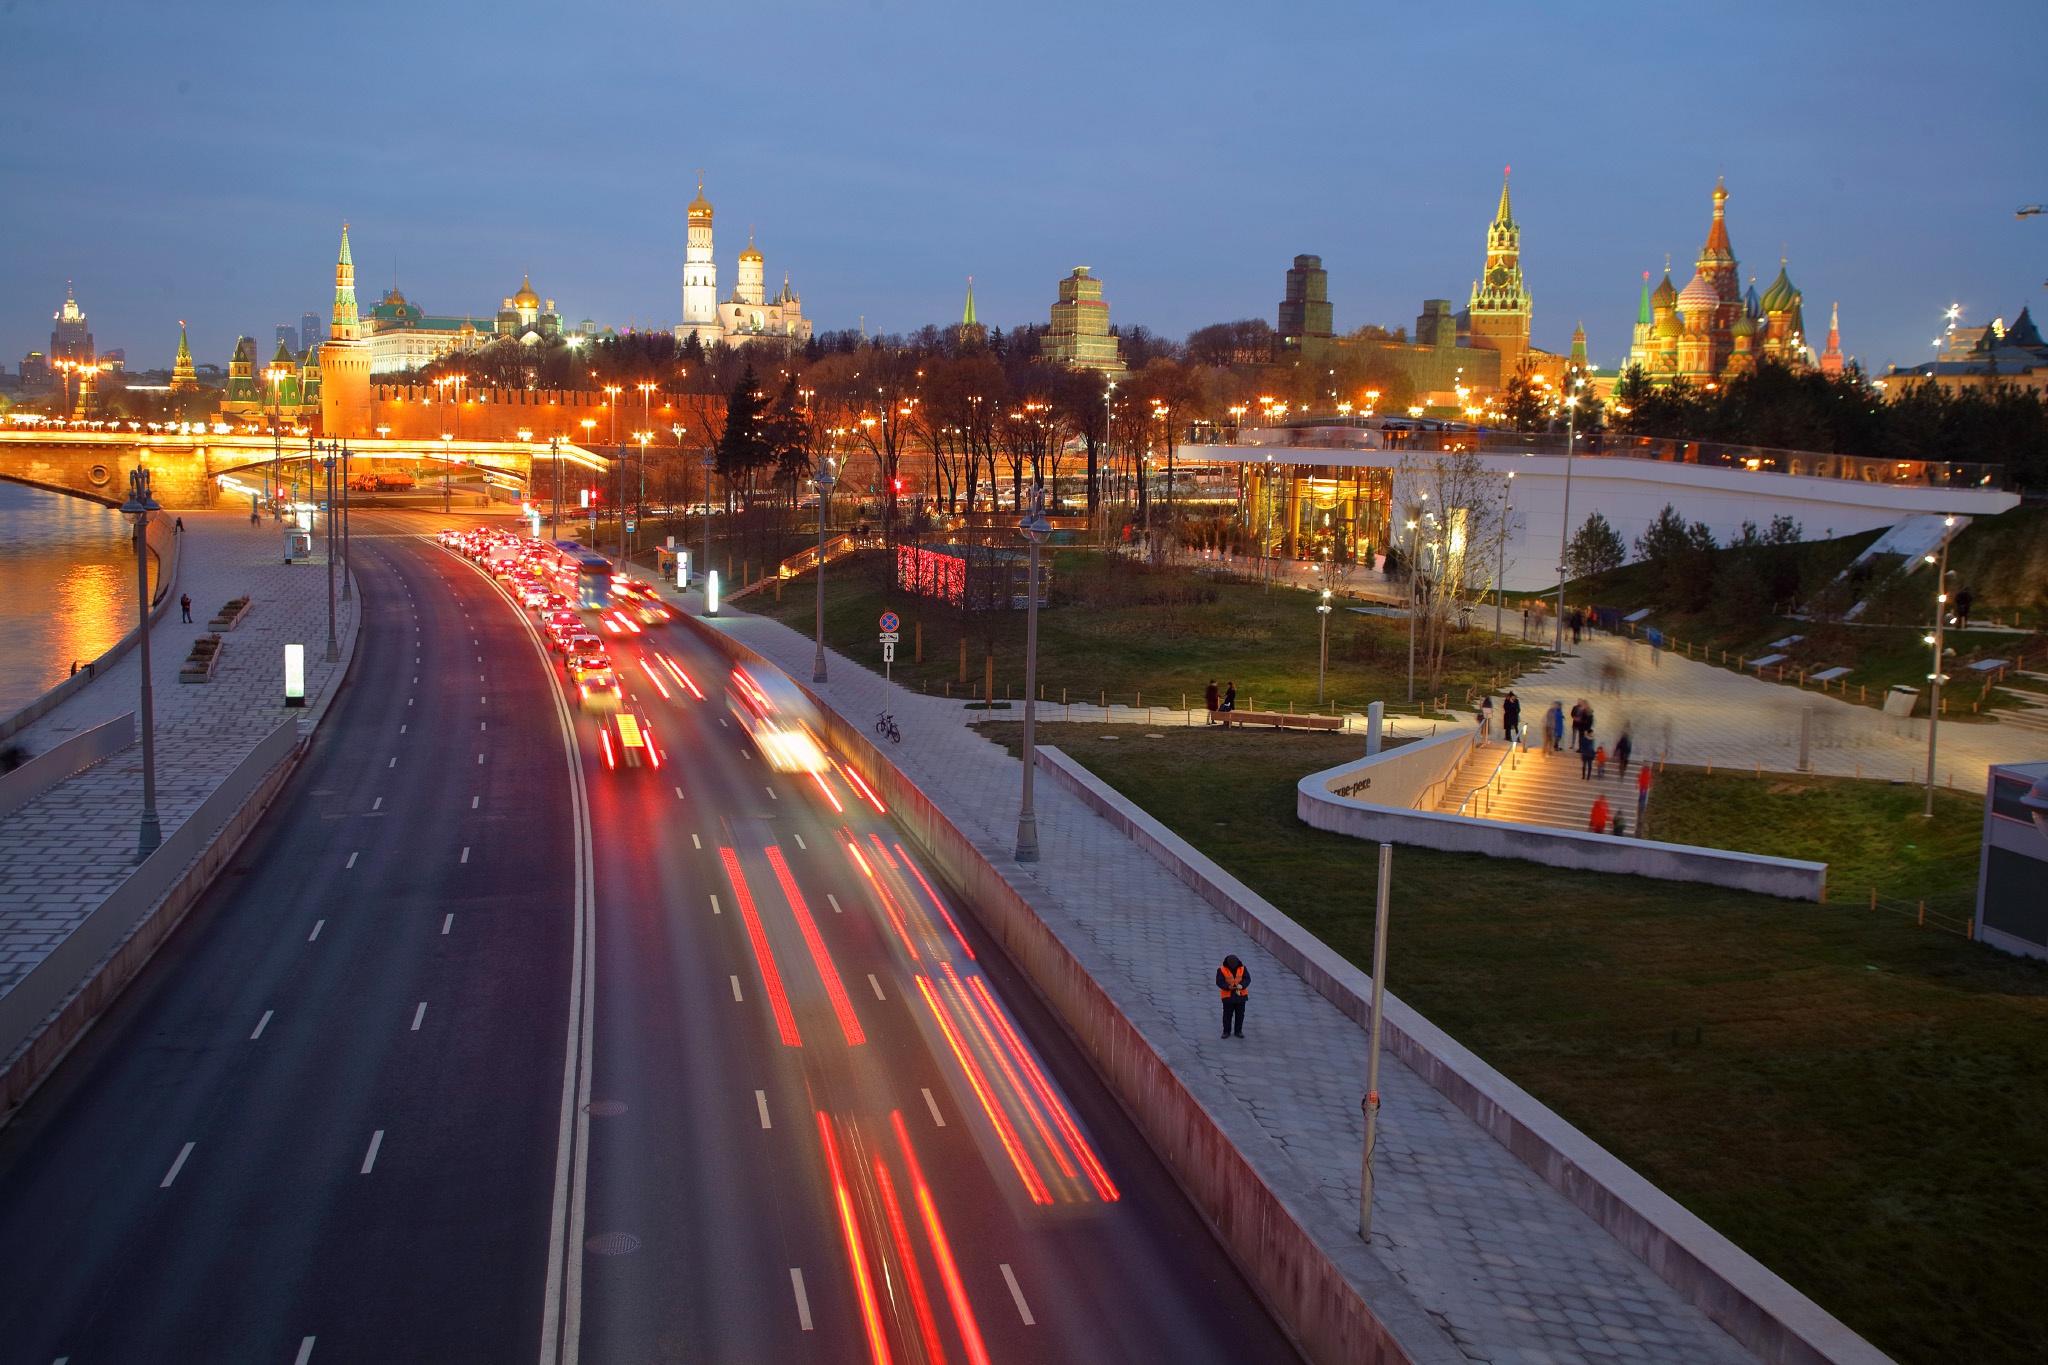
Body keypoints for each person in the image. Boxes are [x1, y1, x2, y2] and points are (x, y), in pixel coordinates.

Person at [1216, 955, 1249, 1038]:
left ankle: (1238, 1031)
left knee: (1240, 1014)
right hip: (1228, 996)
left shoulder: (1243, 969)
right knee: (1227, 1014)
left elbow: (1247, 979)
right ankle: (1226, 1031)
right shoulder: (1222, 970)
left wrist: (1242, 985)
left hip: (1240, 996)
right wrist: (1227, 987)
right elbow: (1219, 982)